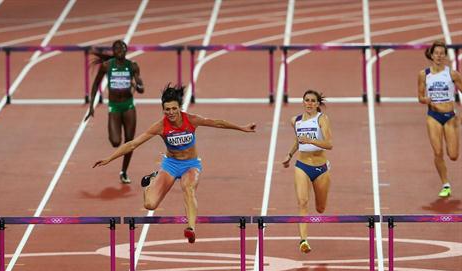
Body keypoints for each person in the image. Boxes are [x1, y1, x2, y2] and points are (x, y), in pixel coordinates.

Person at [93, 84, 256, 243]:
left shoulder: (191, 120)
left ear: (180, 108)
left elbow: (218, 122)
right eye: (167, 110)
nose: (170, 113)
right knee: (150, 204)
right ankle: (151, 181)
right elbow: (133, 144)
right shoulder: (160, 126)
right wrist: (110, 158)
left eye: (174, 109)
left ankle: (191, 228)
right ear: (163, 110)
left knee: (189, 189)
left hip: (191, 164)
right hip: (170, 164)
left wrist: (242, 128)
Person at [85, 40, 144, 184]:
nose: (120, 50)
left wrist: (138, 85)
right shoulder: (107, 65)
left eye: (123, 48)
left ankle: (124, 171)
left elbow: (141, 87)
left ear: (126, 50)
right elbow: (95, 85)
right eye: (117, 48)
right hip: (114, 107)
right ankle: (116, 142)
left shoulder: (132, 66)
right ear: (113, 51)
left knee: (130, 142)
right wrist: (91, 106)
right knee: (115, 142)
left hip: (128, 106)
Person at [282, 90, 333, 253]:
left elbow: (329, 144)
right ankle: (303, 240)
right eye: (307, 100)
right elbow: (298, 141)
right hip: (302, 165)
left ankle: (306, 234)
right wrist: (289, 155)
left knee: (320, 208)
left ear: (318, 104)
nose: (309, 103)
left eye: (313, 101)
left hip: (320, 168)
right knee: (302, 202)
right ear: (303, 102)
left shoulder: (322, 119)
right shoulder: (295, 121)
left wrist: (310, 139)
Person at [417, 40, 462, 198]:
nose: (439, 56)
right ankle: (446, 184)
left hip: (450, 117)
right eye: (436, 53)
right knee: (437, 152)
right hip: (433, 116)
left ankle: (446, 182)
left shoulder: (453, 74)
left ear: (445, 56)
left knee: (454, 155)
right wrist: (425, 100)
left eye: (442, 54)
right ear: (431, 54)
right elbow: (420, 96)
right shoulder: (424, 74)